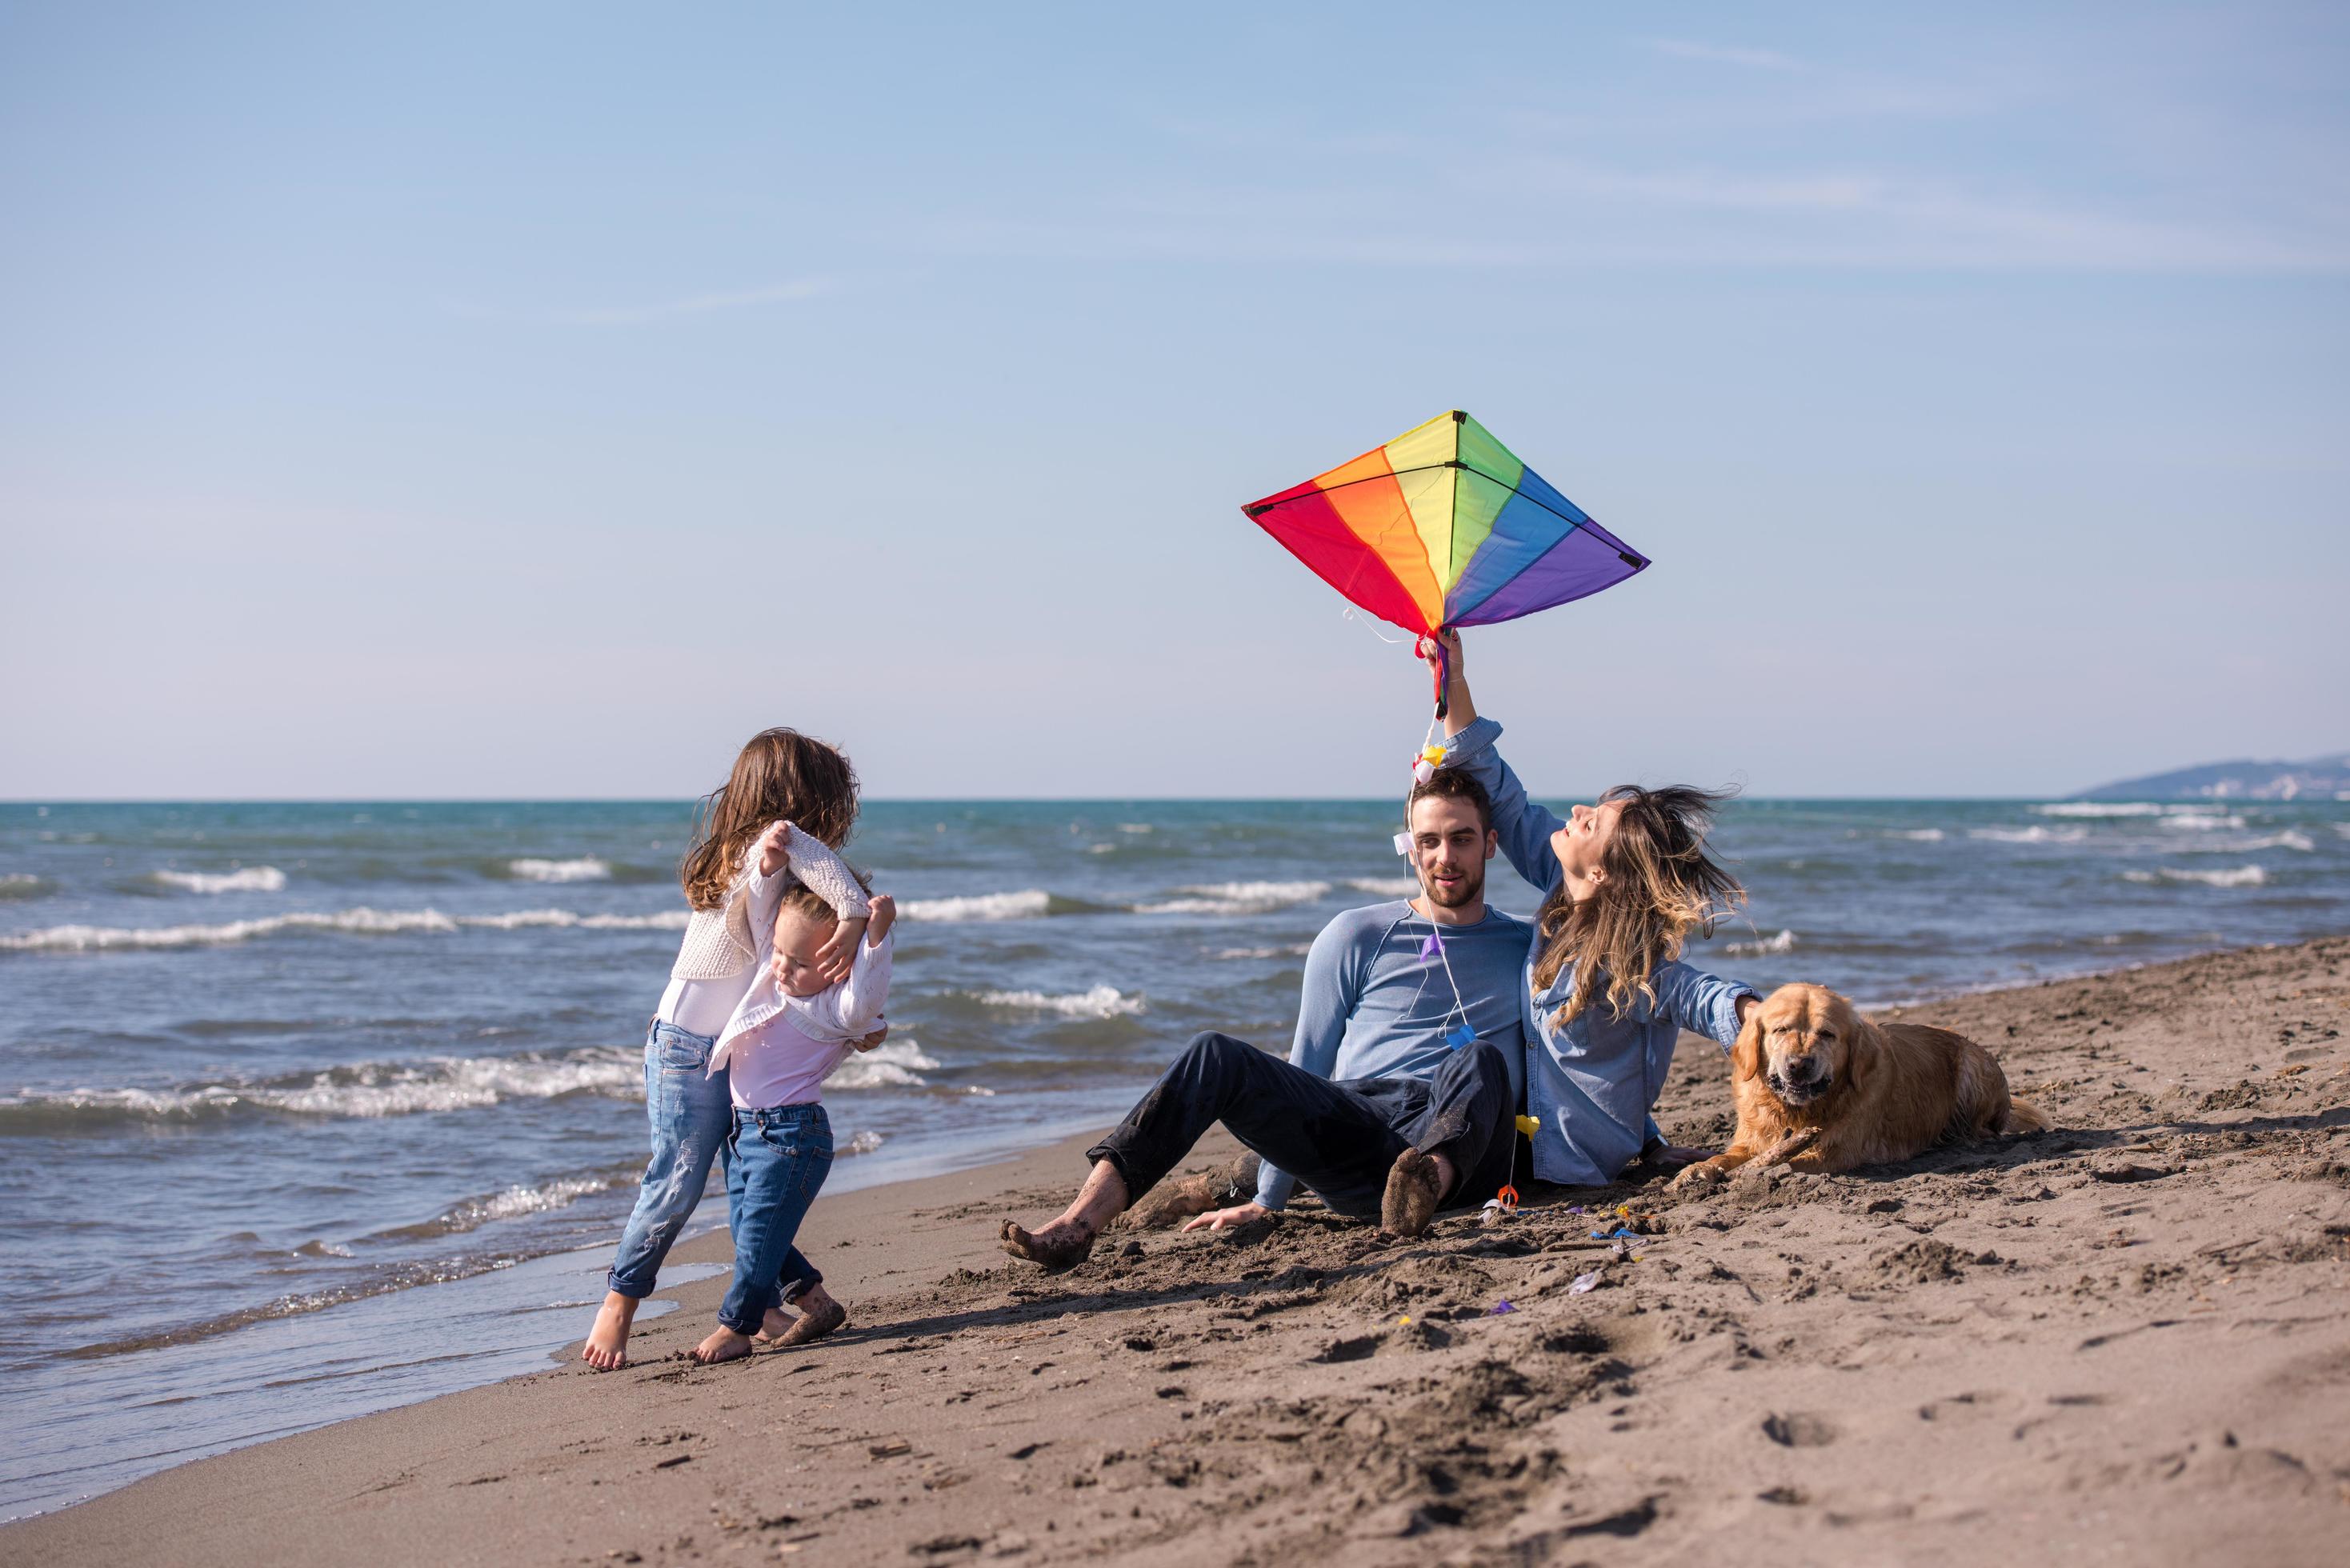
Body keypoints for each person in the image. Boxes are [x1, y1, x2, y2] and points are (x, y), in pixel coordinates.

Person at [999, 767, 1531, 1270]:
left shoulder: (1528, 947)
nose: (1444, 857)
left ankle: (1421, 1189)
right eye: (1428, 841)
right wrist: (1269, 1201)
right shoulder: (1357, 935)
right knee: (1215, 1053)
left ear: (1489, 844)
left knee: (1479, 1057)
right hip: (1360, 1124)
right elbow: (1309, 1063)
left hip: (1462, 1134)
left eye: (1461, 839)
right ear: (1408, 847)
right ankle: (1077, 1224)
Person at [581, 728, 875, 1371]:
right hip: (685, 1050)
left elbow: (794, 984)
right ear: (796, 799)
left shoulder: (777, 860)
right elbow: (829, 873)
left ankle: (796, 1300)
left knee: (747, 1180)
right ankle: (619, 1301)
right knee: (678, 1182)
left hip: (736, 1047)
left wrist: (850, 1027)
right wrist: (854, 916)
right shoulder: (768, 846)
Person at [1426, 631, 1761, 1185]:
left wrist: (1761, 1015)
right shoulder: (1562, 889)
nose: (1576, 811)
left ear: (1601, 872)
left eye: (1591, 823)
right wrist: (1452, 673)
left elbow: (1693, 994)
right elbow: (1500, 793)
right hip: (1530, 1141)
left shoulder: (1626, 958)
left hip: (1561, 1163)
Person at [689, 883, 895, 1364]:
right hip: (742, 1134)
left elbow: (867, 999)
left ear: (839, 964)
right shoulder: (772, 974)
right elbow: (765, 924)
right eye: (781, 953)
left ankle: (736, 1325)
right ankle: (815, 1304)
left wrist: (876, 937)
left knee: (760, 1234)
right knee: (750, 1233)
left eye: (800, 963)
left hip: (790, 1137)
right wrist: (770, 864)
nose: (782, 966)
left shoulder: (831, 1008)